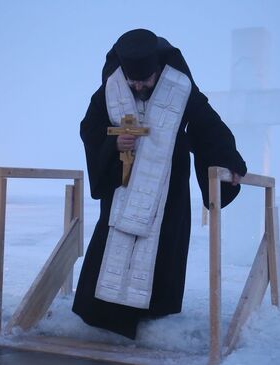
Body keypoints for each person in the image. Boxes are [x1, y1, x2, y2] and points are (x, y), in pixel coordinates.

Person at [72, 28, 247, 339]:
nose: (138, 86)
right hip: (123, 185)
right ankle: (102, 320)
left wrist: (228, 160)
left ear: (157, 69)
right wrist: (113, 145)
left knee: (161, 248)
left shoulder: (179, 87)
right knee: (114, 243)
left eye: (145, 80)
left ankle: (153, 318)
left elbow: (207, 126)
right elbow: (91, 129)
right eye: (133, 81)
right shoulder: (111, 89)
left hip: (168, 186)